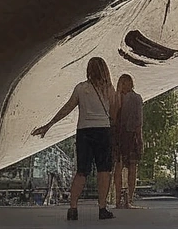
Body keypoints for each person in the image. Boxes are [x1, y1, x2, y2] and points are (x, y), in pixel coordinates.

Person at [32, 56, 116, 221]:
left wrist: (49, 125)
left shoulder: (80, 88)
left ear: (88, 70)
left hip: (84, 131)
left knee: (82, 171)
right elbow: (113, 113)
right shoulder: (109, 89)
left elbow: (67, 108)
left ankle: (73, 208)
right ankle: (102, 208)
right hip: (103, 131)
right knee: (104, 171)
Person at [113, 73, 143, 209]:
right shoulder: (117, 97)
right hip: (123, 135)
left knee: (128, 167)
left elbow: (139, 121)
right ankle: (121, 199)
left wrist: (139, 137)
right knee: (123, 168)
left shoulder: (134, 98)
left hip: (127, 135)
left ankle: (125, 199)